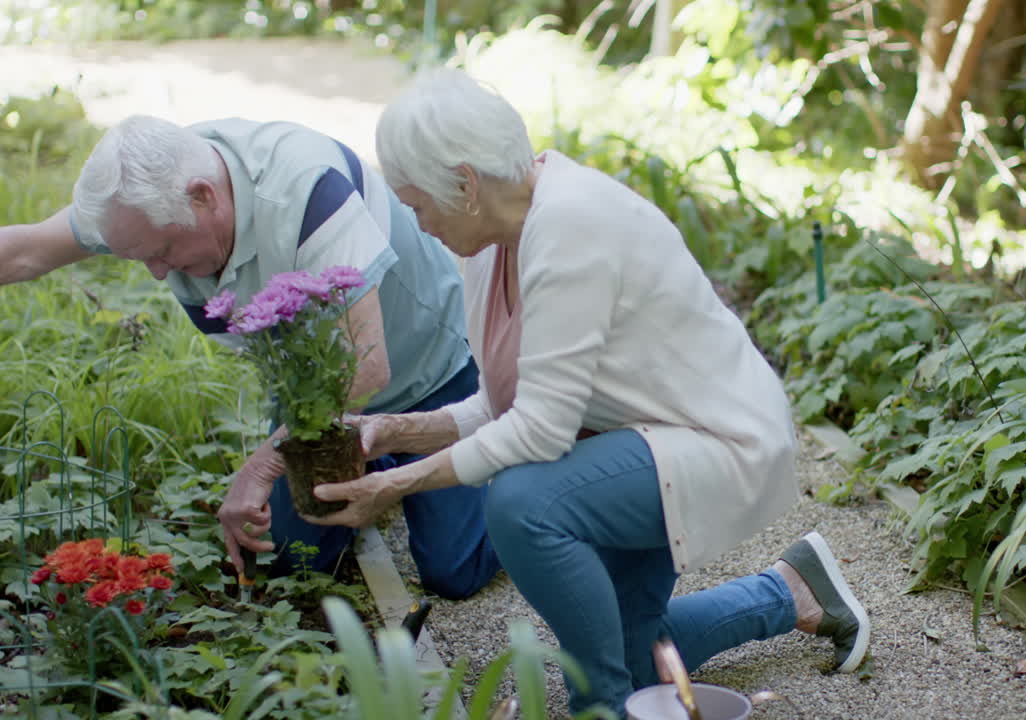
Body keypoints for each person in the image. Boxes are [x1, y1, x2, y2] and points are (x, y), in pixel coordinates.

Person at [304, 67, 871, 714]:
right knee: (635, 657)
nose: (416, 220)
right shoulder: (493, 240)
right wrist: (394, 432)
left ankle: (598, 710)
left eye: (415, 203)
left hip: (716, 440)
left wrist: (393, 484)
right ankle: (791, 591)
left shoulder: (571, 224)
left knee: (523, 503)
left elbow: (539, 432)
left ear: (463, 184)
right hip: (638, 442)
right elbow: (502, 407)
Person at [0, 115, 500, 599]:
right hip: (316, 398)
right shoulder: (136, 197)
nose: (157, 273)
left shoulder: (306, 190)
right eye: (140, 257)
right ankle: (375, 458)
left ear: (203, 196)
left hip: (426, 377)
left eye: (163, 250)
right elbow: (26, 252)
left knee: (452, 570)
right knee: (291, 558)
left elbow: (365, 371)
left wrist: (260, 468)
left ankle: (512, 443)